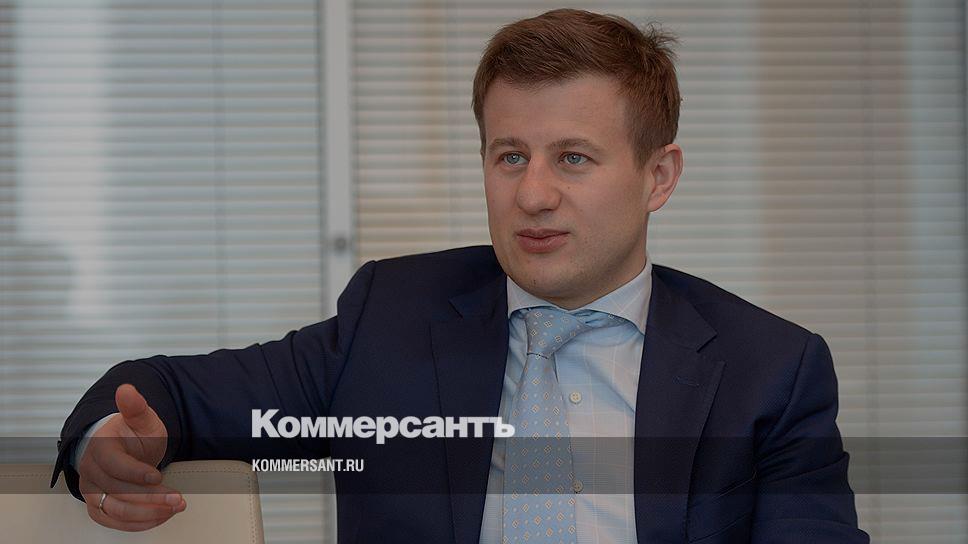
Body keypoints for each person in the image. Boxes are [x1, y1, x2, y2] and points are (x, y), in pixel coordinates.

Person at [51, 8, 869, 543]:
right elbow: (171, 393)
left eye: (573, 159)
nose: (532, 194)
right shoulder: (392, 321)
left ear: (658, 176)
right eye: (509, 156)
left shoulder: (769, 372)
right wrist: (108, 440)